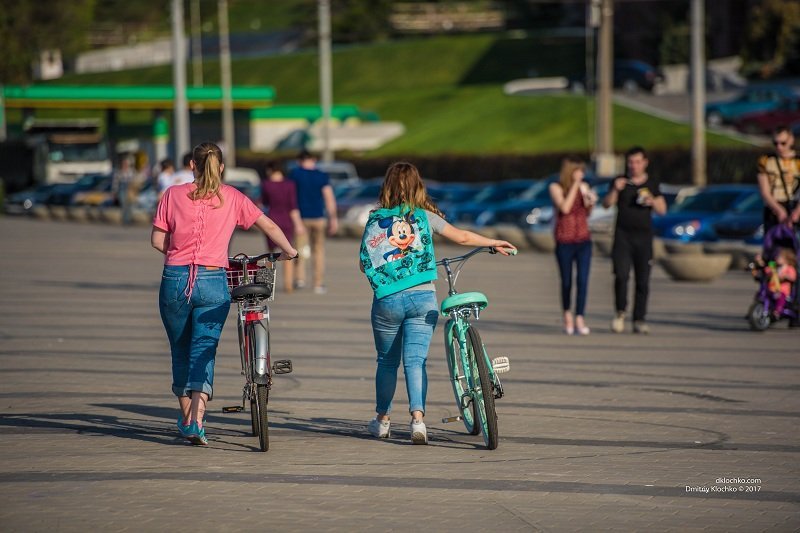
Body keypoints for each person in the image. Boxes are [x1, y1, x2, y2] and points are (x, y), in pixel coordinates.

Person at [151, 142, 298, 446]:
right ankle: (198, 420)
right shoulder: (230, 196)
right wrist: (289, 251)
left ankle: (186, 419)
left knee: (180, 350)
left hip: (175, 279)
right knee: (204, 348)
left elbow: (157, 240)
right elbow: (267, 223)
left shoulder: (172, 194)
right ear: (220, 166)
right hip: (213, 280)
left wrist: (179, 254)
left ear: (192, 165)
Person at [359, 162, 516, 444]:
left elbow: (364, 263)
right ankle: (418, 422)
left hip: (387, 300)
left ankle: (382, 421)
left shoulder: (375, 219)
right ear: (418, 186)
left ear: (387, 186)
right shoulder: (424, 216)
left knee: (386, 362)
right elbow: (463, 237)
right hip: (423, 298)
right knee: (416, 362)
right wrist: (494, 241)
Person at [602, 146, 667, 334]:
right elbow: (606, 204)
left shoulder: (652, 183)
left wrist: (652, 201)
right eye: (631, 162)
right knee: (621, 275)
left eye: (638, 162)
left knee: (643, 279)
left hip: (644, 237)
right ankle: (620, 313)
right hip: (623, 236)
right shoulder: (620, 181)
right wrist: (615, 190)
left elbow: (663, 210)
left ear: (645, 163)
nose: (634, 166)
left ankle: (639, 319)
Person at [549, 157, 596, 335]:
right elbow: (565, 208)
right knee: (567, 281)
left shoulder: (584, 187)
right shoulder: (556, 188)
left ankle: (580, 317)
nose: (581, 175)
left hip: (583, 239)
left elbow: (588, 212)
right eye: (578, 172)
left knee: (583, 280)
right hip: (564, 240)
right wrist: (576, 185)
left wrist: (590, 200)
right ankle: (567, 315)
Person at [288, 150, 338, 294]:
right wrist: (333, 218)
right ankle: (318, 283)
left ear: (299, 160)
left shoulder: (295, 174)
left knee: (300, 250)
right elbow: (329, 198)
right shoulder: (321, 175)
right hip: (319, 218)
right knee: (318, 251)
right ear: (314, 160)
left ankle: (299, 279)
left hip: (300, 218)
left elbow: (290, 197)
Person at [261, 162, 306, 293]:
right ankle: (288, 284)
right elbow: (293, 206)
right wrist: (298, 224)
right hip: (287, 222)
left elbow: (264, 203)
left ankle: (266, 285)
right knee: (288, 252)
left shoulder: (266, 184)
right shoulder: (290, 185)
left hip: (271, 220)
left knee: (269, 254)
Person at [757, 125, 800, 233]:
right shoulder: (765, 161)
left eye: (783, 143)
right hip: (773, 208)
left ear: (791, 140)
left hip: (794, 206)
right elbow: (764, 191)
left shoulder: (798, 161)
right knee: (773, 246)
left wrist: (797, 213)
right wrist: (779, 210)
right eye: (775, 143)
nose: (779, 147)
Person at [764, 247, 797, 318]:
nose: (777, 258)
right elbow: (767, 269)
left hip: (783, 290)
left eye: (779, 257)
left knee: (780, 297)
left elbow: (793, 277)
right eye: (777, 256)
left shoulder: (789, 268)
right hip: (773, 288)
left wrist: (786, 276)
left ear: (786, 259)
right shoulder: (775, 266)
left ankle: (778, 311)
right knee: (765, 294)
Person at [113, 153, 135, 225]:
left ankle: (129, 219)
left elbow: (133, 181)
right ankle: (125, 220)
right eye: (124, 164)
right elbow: (115, 183)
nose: (125, 165)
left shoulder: (130, 171)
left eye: (126, 164)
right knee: (123, 204)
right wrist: (115, 192)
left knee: (129, 204)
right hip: (122, 188)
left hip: (129, 188)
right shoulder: (118, 172)